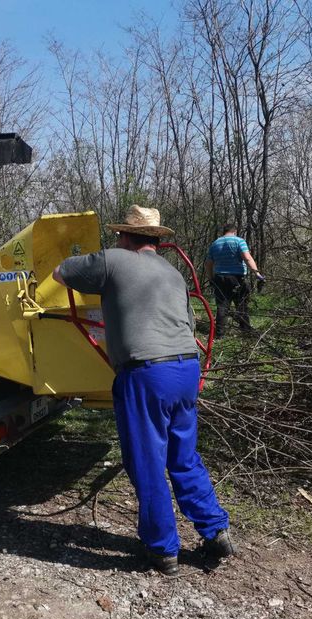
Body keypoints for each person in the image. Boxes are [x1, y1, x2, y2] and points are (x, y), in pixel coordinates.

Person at [54, 205, 234, 576]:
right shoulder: (172, 272)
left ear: (124, 235)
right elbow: (188, 323)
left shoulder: (113, 260)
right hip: (186, 369)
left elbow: (60, 272)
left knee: (147, 462)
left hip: (147, 373)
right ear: (155, 239)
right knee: (183, 457)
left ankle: (162, 549)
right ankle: (216, 530)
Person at [203, 224, 264, 333]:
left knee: (222, 306)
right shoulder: (239, 241)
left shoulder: (215, 243)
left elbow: (208, 263)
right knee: (241, 304)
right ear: (234, 232)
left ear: (224, 232)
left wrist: (211, 278)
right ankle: (245, 330)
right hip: (237, 278)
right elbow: (247, 258)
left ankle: (220, 333)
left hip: (220, 278)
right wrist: (257, 274)